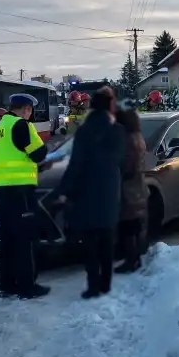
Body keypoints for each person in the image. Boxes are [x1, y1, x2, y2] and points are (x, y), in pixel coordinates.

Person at [57, 86, 125, 299]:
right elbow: (120, 160)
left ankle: (93, 286)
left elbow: (75, 165)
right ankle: (106, 283)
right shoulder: (117, 131)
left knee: (90, 244)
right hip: (109, 193)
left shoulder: (84, 131)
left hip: (85, 194)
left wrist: (64, 191)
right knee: (107, 240)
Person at [0, 93, 50, 299]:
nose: (30, 114)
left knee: (7, 240)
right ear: (26, 109)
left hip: (3, 191)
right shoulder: (21, 126)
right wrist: (45, 152)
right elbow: (38, 154)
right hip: (21, 192)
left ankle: (6, 286)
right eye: (30, 110)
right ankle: (27, 287)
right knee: (26, 239)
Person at [115, 107, 149, 273]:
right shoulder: (137, 137)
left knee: (128, 225)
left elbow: (126, 165)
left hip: (128, 188)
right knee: (135, 224)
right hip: (138, 185)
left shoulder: (127, 140)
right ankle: (135, 257)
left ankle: (131, 261)